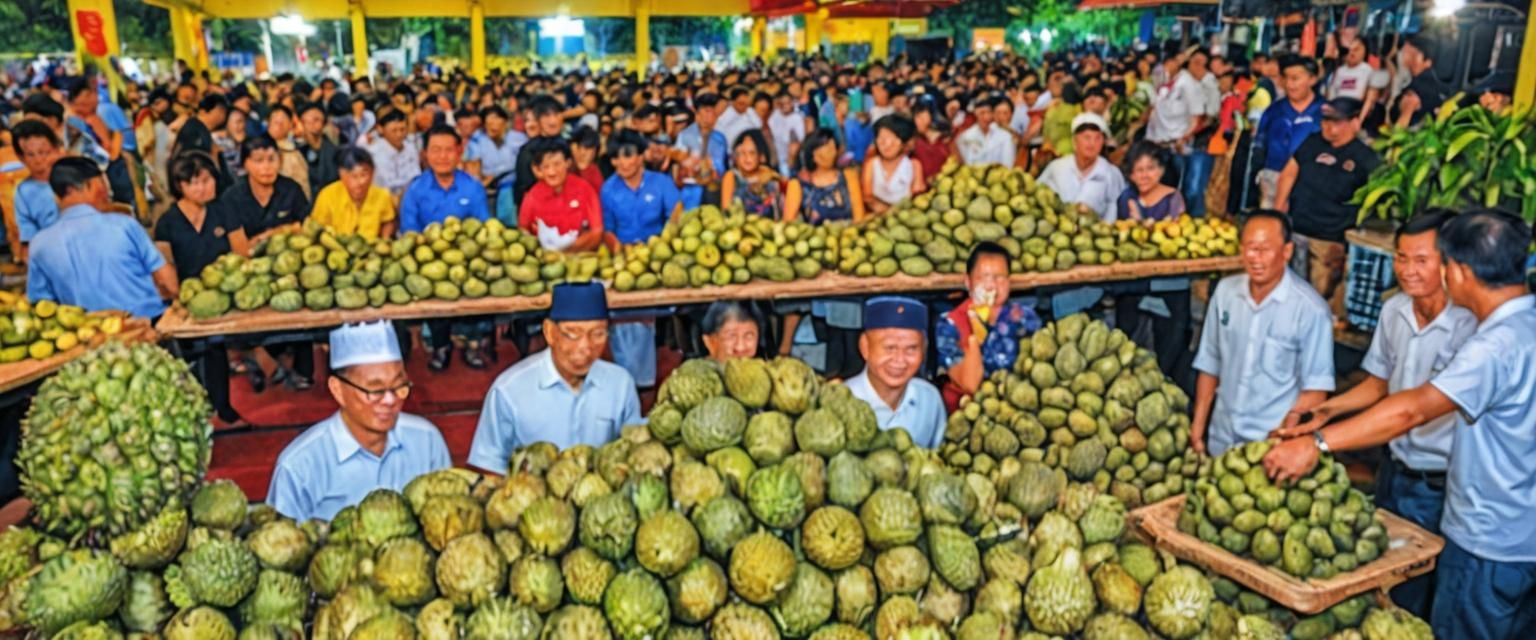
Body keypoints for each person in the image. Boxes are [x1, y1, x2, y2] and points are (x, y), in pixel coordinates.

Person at [1261, 209, 1536, 640]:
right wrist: (1329, 413)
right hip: (1522, 535)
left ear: (1459, 272)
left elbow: (1412, 409)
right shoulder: (1526, 325)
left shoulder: (1493, 346)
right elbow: (1384, 388)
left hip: (1489, 539)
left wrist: (1317, 443)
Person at [267, 321, 451, 521]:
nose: (390, 400)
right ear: (338, 390)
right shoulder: (298, 466)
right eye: (375, 390)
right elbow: (281, 541)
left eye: (399, 386)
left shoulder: (427, 440)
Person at [1190, 211, 1334, 456]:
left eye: (1265, 249)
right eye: (1249, 247)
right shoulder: (1225, 293)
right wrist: (1197, 428)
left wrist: (1285, 440)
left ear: (1287, 252)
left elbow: (1315, 391)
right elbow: (1210, 364)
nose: (1255, 257)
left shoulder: (1311, 310)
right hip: (1220, 437)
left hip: (1269, 445)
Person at [469, 282, 642, 476]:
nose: (585, 347)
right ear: (550, 332)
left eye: (597, 334)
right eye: (572, 334)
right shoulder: (509, 390)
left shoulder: (620, 384)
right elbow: (489, 466)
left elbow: (634, 452)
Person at [154, 152, 251, 424]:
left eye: (208, 180)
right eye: (195, 182)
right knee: (191, 360)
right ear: (180, 186)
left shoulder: (223, 211)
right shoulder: (167, 222)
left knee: (215, 352)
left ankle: (224, 408)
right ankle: (197, 414)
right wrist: (176, 298)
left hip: (221, 298)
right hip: (184, 301)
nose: (204, 187)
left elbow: (241, 253)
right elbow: (165, 267)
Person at [27, 157, 176, 320]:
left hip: (90, 335)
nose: (107, 193)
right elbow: (168, 282)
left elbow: (41, 304)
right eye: (102, 184)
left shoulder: (39, 244)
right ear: (73, 189)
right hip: (146, 326)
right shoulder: (124, 225)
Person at [1275, 97, 1381, 317]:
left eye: (1336, 122)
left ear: (1355, 123)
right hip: (1296, 229)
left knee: (1317, 301)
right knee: (1287, 294)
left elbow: (1376, 199)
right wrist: (1278, 211)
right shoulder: (1313, 141)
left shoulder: (1366, 158)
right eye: (1325, 121)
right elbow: (1290, 172)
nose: (1329, 128)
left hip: (1329, 240)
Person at [401, 125, 493, 371]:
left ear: (459, 152)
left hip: (466, 259)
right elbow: (409, 232)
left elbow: (484, 230)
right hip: (429, 261)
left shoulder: (472, 188)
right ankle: (440, 346)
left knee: (478, 279)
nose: (442, 157)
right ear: (426, 154)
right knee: (431, 282)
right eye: (436, 150)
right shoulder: (416, 189)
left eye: (448, 150)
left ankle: (474, 342)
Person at [935, 241, 1043, 408]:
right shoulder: (950, 323)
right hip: (971, 413)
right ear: (968, 282)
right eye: (983, 277)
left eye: (1000, 278)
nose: (991, 285)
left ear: (1009, 282)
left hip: (1019, 408)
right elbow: (969, 385)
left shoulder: (1024, 317)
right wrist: (975, 330)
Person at [847, 296, 946, 450]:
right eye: (890, 348)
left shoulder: (930, 400)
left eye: (911, 349)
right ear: (865, 347)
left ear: (924, 350)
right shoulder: (844, 401)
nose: (900, 360)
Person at [1255, 57, 1322, 209]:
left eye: (1295, 78)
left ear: (1312, 79)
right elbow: (1260, 144)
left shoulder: (1324, 112)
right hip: (1273, 177)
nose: (1290, 84)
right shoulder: (1273, 111)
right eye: (1286, 78)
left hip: (1309, 182)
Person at [519, 137, 603, 253]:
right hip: (546, 263)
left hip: (581, 258)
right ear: (539, 170)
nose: (551, 172)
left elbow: (597, 231)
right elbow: (523, 230)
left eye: (557, 164)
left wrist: (566, 252)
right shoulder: (532, 196)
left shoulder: (585, 189)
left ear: (567, 163)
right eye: (546, 166)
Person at [1038, 112, 1125, 223]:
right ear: (1074, 141)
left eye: (1098, 138)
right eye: (1086, 137)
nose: (1092, 143)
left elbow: (1116, 209)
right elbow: (1038, 192)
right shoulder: (1057, 168)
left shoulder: (1111, 173)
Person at [310, 146, 397, 240]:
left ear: (372, 173)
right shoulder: (327, 196)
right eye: (354, 176)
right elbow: (316, 229)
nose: (361, 182)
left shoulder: (382, 195)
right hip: (338, 250)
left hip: (371, 249)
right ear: (342, 175)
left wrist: (385, 238)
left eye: (364, 175)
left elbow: (388, 221)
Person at [785, 129, 865, 224]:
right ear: (813, 155)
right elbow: (788, 224)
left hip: (850, 235)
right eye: (825, 147)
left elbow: (859, 217)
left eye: (832, 146)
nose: (831, 151)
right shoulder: (798, 185)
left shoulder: (849, 176)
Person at [10, 120, 61, 256]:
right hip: (51, 254)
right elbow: (28, 240)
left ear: (55, 149)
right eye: (30, 154)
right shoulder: (24, 193)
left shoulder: (73, 176)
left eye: (43, 152)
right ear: (21, 158)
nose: (38, 160)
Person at [674, 94, 729, 210]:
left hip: (713, 191)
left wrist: (711, 167)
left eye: (713, 113)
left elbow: (722, 167)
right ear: (697, 114)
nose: (709, 117)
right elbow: (679, 165)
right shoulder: (685, 135)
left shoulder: (720, 139)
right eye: (706, 112)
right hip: (690, 193)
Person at [862, 114, 924, 215]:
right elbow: (868, 197)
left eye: (893, 138)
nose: (887, 144)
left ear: (903, 142)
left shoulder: (914, 165)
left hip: (906, 219)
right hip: (877, 219)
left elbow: (917, 198)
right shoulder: (871, 164)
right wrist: (890, 214)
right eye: (881, 139)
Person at [513, 96, 569, 208]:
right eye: (546, 116)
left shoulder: (567, 144)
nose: (553, 121)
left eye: (556, 114)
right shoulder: (528, 151)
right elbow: (524, 190)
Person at [719, 129, 784, 219]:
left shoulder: (772, 178)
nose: (747, 158)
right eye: (742, 153)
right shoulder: (731, 176)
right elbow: (726, 211)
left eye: (752, 153)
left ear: (761, 157)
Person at [1117, 141, 1187, 221]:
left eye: (1150, 168)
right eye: (1139, 170)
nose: (1145, 175)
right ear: (1131, 175)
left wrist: (1140, 222)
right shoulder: (1126, 197)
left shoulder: (1172, 198)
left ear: (1161, 170)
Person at [1392, 35, 1450, 129]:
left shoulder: (1419, 87)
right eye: (1405, 52)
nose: (1405, 57)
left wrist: (1407, 111)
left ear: (1428, 62)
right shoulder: (1440, 85)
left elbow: (1400, 127)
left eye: (1412, 54)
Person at [366, 109, 421, 198]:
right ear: (381, 129)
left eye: (402, 129)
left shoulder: (411, 148)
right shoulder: (372, 153)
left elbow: (416, 177)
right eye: (394, 130)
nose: (399, 134)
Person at [954, 95, 1014, 167]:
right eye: (982, 113)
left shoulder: (1005, 136)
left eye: (989, 112)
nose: (986, 117)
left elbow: (1008, 163)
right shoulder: (966, 136)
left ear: (992, 114)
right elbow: (965, 164)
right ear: (976, 114)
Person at [266, 105, 311, 200]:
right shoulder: (261, 149)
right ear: (268, 124)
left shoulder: (296, 150)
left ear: (291, 124)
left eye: (282, 121)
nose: (279, 125)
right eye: (275, 122)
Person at [295, 102, 339, 196]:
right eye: (306, 121)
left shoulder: (336, 153)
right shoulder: (297, 152)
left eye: (316, 119)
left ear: (324, 123)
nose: (311, 124)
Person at [768, 92, 806, 175]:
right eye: (781, 103)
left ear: (792, 103)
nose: (784, 105)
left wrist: (791, 160)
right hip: (776, 157)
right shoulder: (775, 115)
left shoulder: (797, 118)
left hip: (791, 160)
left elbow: (800, 140)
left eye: (787, 103)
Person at [716, 87, 763, 155]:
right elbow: (719, 133)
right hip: (729, 152)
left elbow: (759, 126)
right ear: (732, 102)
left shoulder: (750, 111)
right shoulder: (725, 114)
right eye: (741, 103)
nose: (743, 106)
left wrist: (748, 111)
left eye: (746, 103)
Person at [910, 105, 952, 178]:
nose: (917, 121)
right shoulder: (915, 142)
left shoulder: (947, 140)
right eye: (916, 117)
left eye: (920, 116)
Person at [570, 125, 604, 191]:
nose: (582, 153)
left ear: (595, 151)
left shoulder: (596, 174)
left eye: (587, 148)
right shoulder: (563, 168)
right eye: (578, 147)